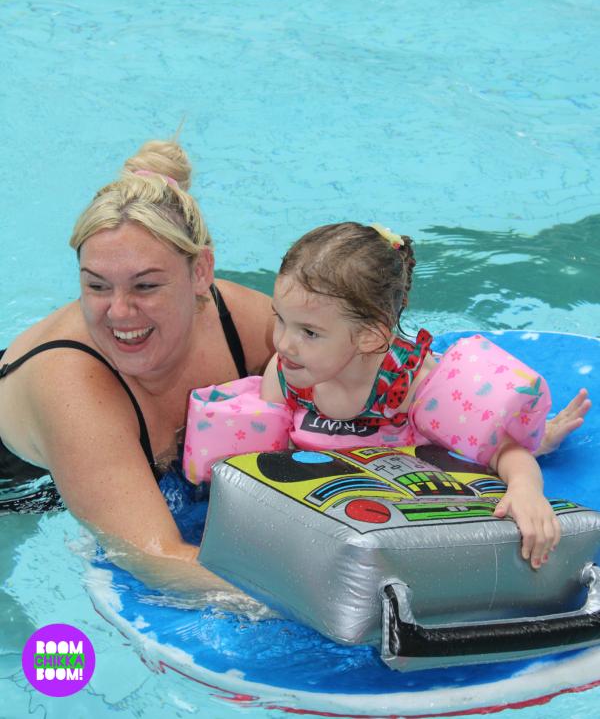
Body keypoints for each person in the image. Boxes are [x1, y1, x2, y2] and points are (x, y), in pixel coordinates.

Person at [0, 139, 274, 600]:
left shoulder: (244, 325)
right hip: (17, 492)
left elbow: (366, 367)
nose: (120, 312)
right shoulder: (72, 387)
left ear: (200, 271)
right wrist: (334, 605)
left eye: (146, 285)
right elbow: (157, 558)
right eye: (96, 286)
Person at [249, 222, 589, 570]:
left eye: (309, 332)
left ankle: (539, 435)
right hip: (347, 506)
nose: (284, 343)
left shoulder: (414, 386)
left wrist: (526, 490)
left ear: (370, 336)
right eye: (280, 319)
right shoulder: (286, 372)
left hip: (409, 493)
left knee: (505, 442)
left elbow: (505, 452)